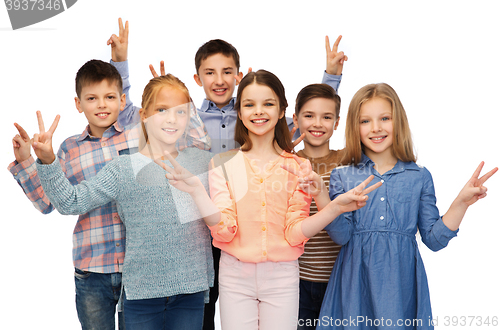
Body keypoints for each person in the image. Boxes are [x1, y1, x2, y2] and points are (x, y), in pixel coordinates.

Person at [149, 36, 348, 330]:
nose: (258, 111)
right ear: (239, 112)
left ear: (281, 110)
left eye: (268, 104)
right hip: (228, 262)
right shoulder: (223, 161)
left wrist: (330, 208)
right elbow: (225, 228)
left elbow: (315, 113)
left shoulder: (297, 167)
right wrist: (195, 189)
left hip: (282, 274)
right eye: (250, 105)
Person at [33, 74, 215, 330]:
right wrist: (48, 161)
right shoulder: (123, 168)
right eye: (161, 110)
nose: (172, 119)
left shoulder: (202, 161)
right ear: (144, 114)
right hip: (140, 295)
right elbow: (71, 202)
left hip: (191, 292)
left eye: (181, 112)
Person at [314, 83, 497, 330]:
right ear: (354, 127)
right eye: (365, 121)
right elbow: (341, 236)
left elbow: (433, 240)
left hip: (400, 288)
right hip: (354, 286)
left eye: (385, 118)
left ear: (398, 121)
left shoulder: (418, 176)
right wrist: (322, 198)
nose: (376, 128)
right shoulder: (342, 176)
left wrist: (461, 203)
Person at [9, 48, 135, 329]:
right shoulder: (68, 148)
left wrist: (122, 60)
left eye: (110, 97)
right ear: (79, 104)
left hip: (137, 266)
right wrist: (30, 161)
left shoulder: (137, 138)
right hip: (91, 269)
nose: (101, 105)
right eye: (92, 98)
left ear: (122, 100)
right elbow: (46, 203)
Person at [292, 83, 344, 329]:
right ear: (296, 119)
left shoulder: (346, 161)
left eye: (326, 117)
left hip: (339, 279)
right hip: (297, 279)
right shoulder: (287, 160)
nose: (317, 123)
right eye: (309, 115)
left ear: (336, 122)